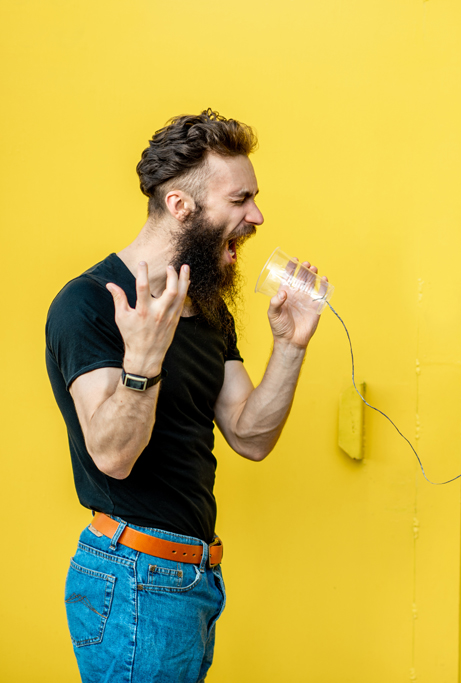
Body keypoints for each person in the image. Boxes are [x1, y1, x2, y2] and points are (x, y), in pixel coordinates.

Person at [45, 109, 327, 682]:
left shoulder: (207, 309)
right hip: (132, 577)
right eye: (240, 200)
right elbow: (112, 455)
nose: (257, 216)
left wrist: (290, 346)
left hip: (190, 583)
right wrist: (144, 358)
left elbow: (250, 435)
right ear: (181, 206)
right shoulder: (90, 303)